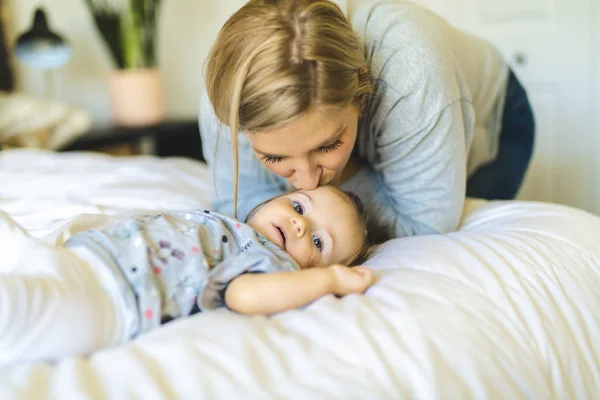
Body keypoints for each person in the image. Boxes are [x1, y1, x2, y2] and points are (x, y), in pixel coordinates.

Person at [199, 0, 535, 242]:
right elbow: (239, 205)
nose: (307, 182)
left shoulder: (410, 73)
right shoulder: (234, 95)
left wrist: (340, 180)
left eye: (328, 144)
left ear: (363, 89)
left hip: (497, 119)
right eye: (274, 157)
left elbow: (424, 227)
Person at [0, 186, 373, 365]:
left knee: (15, 310)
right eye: (298, 205)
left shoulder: (269, 262)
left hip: (111, 301)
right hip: (80, 257)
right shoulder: (231, 226)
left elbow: (245, 297)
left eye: (320, 243)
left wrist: (331, 281)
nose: (299, 224)